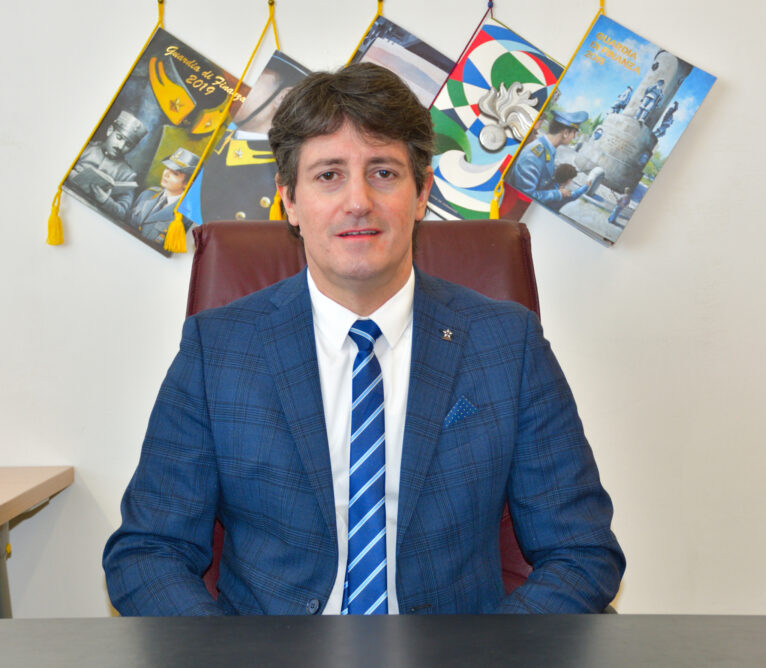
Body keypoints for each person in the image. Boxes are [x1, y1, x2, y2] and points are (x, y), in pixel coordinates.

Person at [103, 63, 624, 616]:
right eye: (329, 174)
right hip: (268, 652)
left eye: (383, 173)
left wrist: (489, 654)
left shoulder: (507, 345)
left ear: (421, 194)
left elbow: (581, 552)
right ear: (290, 201)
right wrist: (228, 656)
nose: (358, 201)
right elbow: (147, 553)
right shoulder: (218, 351)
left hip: (454, 651)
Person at [67, 110, 147, 219]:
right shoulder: (85, 148)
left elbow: (122, 212)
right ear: (110, 130)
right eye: (119, 137)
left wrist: (105, 200)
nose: (120, 146)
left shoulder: (128, 175)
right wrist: (71, 175)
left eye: (128, 144)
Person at [511, 110, 588, 206]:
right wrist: (559, 194)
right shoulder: (534, 155)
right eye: (574, 133)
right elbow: (526, 195)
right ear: (565, 133)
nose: (574, 137)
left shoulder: (548, 149)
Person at [129, 147, 200, 245]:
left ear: (187, 183)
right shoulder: (147, 194)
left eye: (175, 173)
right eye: (167, 168)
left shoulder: (185, 217)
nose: (166, 174)